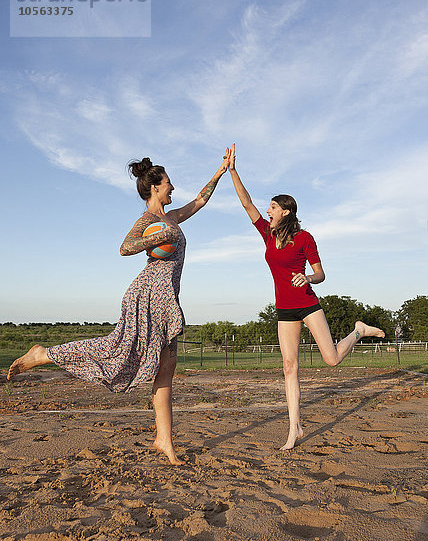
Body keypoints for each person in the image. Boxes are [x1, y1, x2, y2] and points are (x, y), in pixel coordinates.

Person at [7, 154, 230, 465]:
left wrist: (221, 171)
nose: (172, 187)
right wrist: (161, 235)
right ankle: (44, 354)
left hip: (166, 297)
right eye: (168, 183)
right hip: (147, 295)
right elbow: (125, 247)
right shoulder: (148, 222)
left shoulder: (172, 217)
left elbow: (199, 202)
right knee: (116, 350)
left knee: (166, 369)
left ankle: (163, 440)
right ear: (154, 187)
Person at [226, 144, 385, 450]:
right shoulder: (268, 234)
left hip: (308, 305)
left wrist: (308, 277)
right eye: (268, 207)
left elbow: (321, 273)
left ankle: (358, 330)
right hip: (284, 310)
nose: (267, 211)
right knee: (289, 367)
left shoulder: (304, 238)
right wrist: (233, 170)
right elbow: (246, 205)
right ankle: (294, 428)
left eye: (272, 207)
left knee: (332, 359)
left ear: (285, 211)